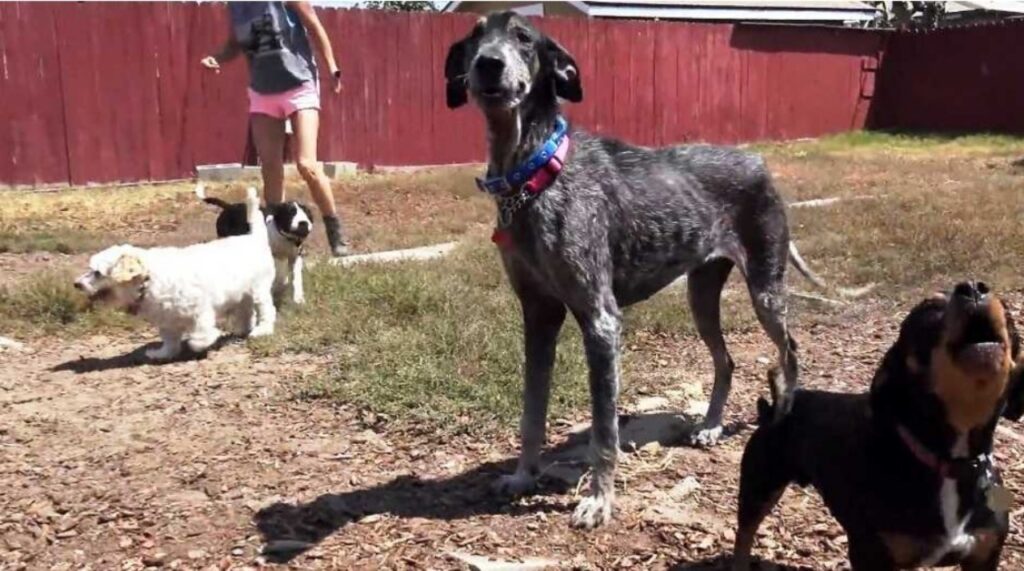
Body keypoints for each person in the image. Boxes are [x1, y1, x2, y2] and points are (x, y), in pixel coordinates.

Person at [201, 1, 349, 256]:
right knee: (270, 167)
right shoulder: (236, 6)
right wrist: (217, 57)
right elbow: (234, 44)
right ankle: (279, 239)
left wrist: (332, 68)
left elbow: (314, 26)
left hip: (299, 84)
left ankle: (335, 231)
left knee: (307, 165)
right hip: (262, 92)